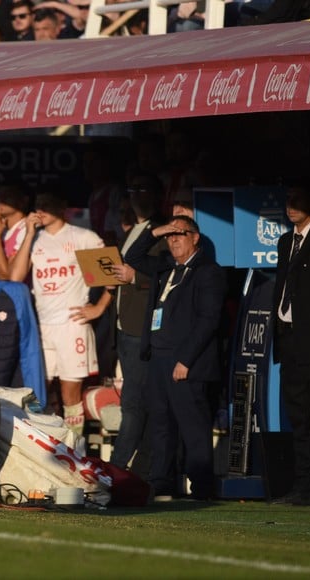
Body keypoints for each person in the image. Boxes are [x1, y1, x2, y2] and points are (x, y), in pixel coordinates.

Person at [125, 214, 225, 501]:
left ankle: (202, 488)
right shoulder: (166, 266)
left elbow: (209, 320)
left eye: (181, 234)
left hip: (185, 362)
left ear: (195, 238)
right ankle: (161, 482)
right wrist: (158, 230)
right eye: (171, 236)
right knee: (160, 424)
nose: (174, 240)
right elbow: (132, 255)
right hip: (157, 358)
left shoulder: (208, 271)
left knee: (192, 427)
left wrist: (186, 360)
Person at [10, 191, 111, 436]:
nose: (41, 210)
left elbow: (110, 278)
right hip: (42, 326)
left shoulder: (83, 237)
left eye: (47, 204)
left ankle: (74, 448)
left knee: (70, 393)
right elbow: (15, 276)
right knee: (38, 391)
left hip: (71, 325)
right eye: (38, 205)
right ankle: (47, 444)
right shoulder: (32, 237)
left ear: (62, 206)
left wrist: (98, 308)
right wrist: (30, 235)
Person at [109, 172, 166, 472]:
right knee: (133, 400)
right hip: (123, 326)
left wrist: (137, 277)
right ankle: (133, 466)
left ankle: (117, 468)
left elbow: (167, 270)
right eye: (132, 190)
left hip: (140, 328)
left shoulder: (160, 230)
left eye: (142, 189)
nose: (135, 196)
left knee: (133, 402)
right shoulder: (133, 229)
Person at [272, 184, 310, 506]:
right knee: (299, 417)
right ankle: (304, 485)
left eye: (298, 200)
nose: (291, 206)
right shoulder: (285, 241)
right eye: (288, 200)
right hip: (289, 339)